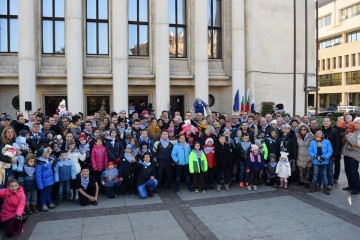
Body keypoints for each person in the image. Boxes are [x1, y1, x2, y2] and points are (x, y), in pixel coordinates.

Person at [308, 128, 333, 195]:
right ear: (315, 134)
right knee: (315, 174)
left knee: (324, 175)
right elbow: (310, 151)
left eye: (320, 133)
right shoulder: (312, 142)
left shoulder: (327, 142)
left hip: (324, 161)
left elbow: (330, 151)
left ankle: (325, 187)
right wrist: (316, 157)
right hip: (316, 161)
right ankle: (314, 186)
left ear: (322, 134)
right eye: (317, 133)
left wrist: (324, 157)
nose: (319, 134)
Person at [342, 117, 360, 195]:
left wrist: (348, 137)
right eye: (355, 123)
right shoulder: (353, 131)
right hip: (347, 154)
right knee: (348, 171)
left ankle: (357, 188)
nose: (355, 124)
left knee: (353, 172)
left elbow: (357, 143)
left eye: (357, 123)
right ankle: (351, 185)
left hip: (354, 155)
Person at [36, 147, 56, 211]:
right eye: (47, 153)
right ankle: (42, 204)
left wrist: (52, 180)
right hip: (44, 183)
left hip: (49, 181)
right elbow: (38, 175)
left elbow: (50, 171)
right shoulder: (39, 164)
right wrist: (40, 185)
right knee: (43, 194)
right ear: (42, 155)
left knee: (48, 193)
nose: (49, 154)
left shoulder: (46, 161)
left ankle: (49, 202)